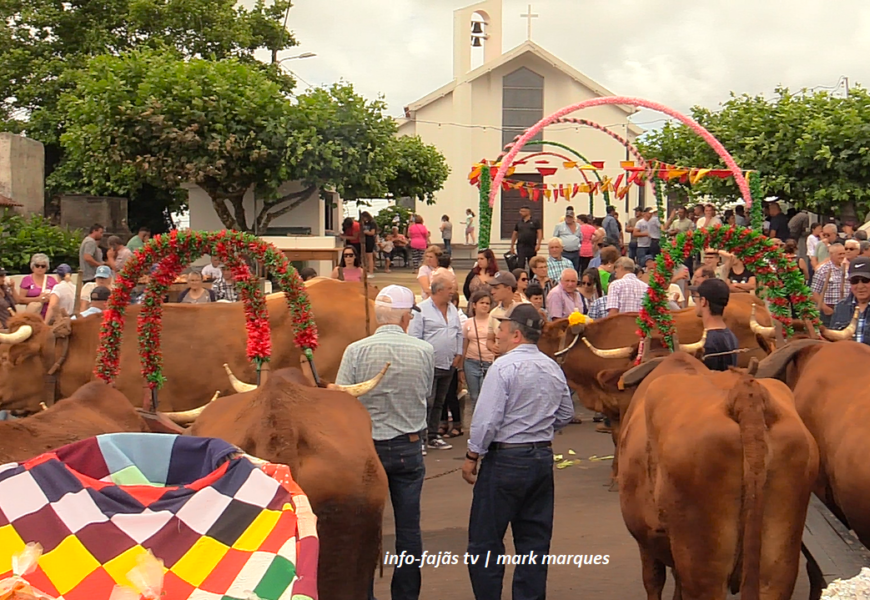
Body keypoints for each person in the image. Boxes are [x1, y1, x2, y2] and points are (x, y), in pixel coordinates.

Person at [462, 303, 574, 600]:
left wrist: (473, 455)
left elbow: (487, 420)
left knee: (485, 542)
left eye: (502, 327)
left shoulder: (503, 367)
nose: (497, 332)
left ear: (516, 335)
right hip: (540, 458)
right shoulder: (552, 366)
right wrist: (538, 426)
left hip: (506, 459)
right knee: (534, 542)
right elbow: (564, 413)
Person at [334, 285, 432, 600]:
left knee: (364, 528)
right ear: (406, 317)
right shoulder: (424, 350)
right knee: (408, 528)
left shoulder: (355, 350)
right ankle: (405, 595)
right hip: (408, 445)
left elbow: (343, 401)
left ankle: (364, 594)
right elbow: (426, 394)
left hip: (366, 448)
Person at [408, 274, 463, 451]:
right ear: (438, 291)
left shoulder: (453, 309)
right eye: (449, 289)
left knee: (439, 402)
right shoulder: (420, 310)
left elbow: (459, 333)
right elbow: (415, 337)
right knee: (426, 401)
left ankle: (433, 436)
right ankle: (420, 438)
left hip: (448, 364)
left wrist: (459, 353)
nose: (452, 292)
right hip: (428, 365)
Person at [689, 278, 740, 371]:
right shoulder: (731, 336)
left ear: (703, 301)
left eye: (695, 297)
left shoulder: (708, 343)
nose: (694, 302)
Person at [462, 290, 495, 419]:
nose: (485, 306)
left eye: (487, 303)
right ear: (474, 305)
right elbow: (464, 344)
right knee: (474, 396)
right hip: (471, 362)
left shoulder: (493, 321)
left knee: (486, 396)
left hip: (489, 362)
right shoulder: (468, 323)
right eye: (482, 303)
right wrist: (461, 368)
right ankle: (476, 423)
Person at [828, 257, 870, 345]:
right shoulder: (841, 307)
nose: (860, 286)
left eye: (865, 280)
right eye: (855, 281)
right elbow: (831, 342)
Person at [486, 271, 528, 358]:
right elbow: (489, 340)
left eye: (496, 288)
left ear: (508, 289)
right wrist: (493, 347)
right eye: (492, 288)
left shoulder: (526, 308)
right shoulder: (493, 313)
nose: (492, 291)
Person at [811, 243, 850, 327]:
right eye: (840, 254)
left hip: (845, 309)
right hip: (829, 310)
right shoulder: (823, 270)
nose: (842, 256)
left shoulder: (847, 268)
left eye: (843, 253)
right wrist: (824, 308)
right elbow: (814, 293)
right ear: (831, 254)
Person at [17, 253, 56, 318]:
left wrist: (50, 298)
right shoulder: (27, 280)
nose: (40, 268)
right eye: (37, 265)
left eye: (43, 266)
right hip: (33, 316)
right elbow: (20, 300)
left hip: (49, 316)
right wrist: (38, 299)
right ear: (32, 266)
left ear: (47, 267)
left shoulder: (52, 280)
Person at [510, 206, 542, 270]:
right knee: (520, 263)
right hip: (521, 245)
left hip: (531, 246)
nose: (520, 213)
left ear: (528, 212)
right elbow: (514, 234)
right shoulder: (519, 222)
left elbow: (539, 232)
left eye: (522, 211)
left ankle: (532, 278)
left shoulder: (535, 221)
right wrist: (512, 246)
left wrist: (538, 244)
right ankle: (521, 277)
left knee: (532, 263)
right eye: (520, 211)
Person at [359, 211, 378, 276]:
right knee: (365, 256)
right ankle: (366, 270)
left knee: (369, 256)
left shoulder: (372, 223)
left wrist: (366, 232)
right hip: (364, 240)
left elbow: (372, 232)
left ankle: (371, 272)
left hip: (369, 240)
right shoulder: (363, 223)